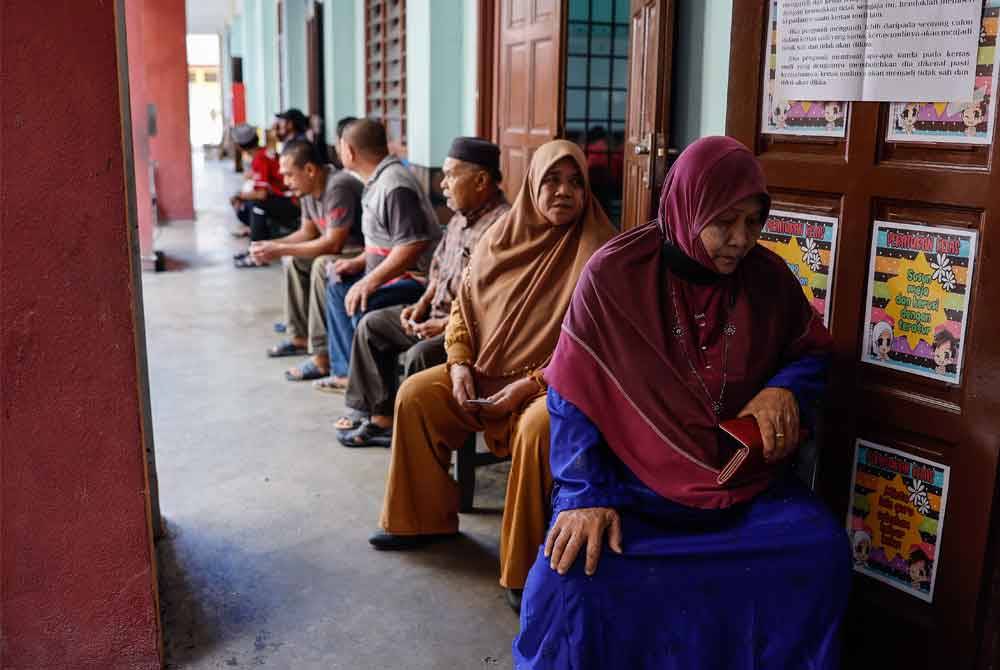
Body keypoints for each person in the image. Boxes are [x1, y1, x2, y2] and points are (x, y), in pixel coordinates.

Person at [513, 136, 850, 669]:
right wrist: (583, 494)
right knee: (571, 582)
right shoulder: (614, 275)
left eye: (754, 222)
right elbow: (572, 394)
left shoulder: (767, 278)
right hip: (631, 487)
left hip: (740, 488)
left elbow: (812, 352)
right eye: (724, 221)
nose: (740, 240)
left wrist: (785, 385)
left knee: (819, 551)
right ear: (687, 205)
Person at [368, 140, 615, 613]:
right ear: (531, 186)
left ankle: (523, 565)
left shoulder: (602, 254)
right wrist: (459, 362)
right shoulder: (500, 237)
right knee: (418, 393)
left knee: (538, 426)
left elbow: (597, 351)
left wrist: (527, 386)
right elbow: (463, 308)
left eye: (575, 182)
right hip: (483, 373)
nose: (563, 191)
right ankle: (422, 519)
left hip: (556, 385)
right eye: (551, 180)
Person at [336, 137, 510, 447]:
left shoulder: (503, 229)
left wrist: (443, 326)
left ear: (482, 180)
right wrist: (421, 305)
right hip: (436, 315)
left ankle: (423, 443)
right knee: (372, 326)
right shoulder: (459, 219)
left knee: (420, 356)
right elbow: (438, 272)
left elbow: (494, 305)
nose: (442, 184)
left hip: (471, 335)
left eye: (451, 175)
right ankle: (382, 419)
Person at [314, 119, 440, 392]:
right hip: (392, 275)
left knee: (362, 300)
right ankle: (347, 373)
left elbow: (412, 245)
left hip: (416, 280)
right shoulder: (377, 179)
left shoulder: (394, 184)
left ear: (348, 150)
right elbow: (385, 241)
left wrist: (368, 281)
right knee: (338, 283)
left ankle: (371, 391)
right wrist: (358, 264)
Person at [252, 140, 363, 379]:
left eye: (290, 175)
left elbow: (334, 243)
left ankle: (322, 355)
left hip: (361, 252)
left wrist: (280, 248)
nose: (286, 181)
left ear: (310, 170)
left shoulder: (338, 186)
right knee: (293, 261)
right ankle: (300, 336)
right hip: (340, 248)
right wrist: (272, 245)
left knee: (322, 265)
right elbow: (307, 232)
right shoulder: (307, 190)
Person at [229, 124, 300, 262]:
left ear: (240, 146)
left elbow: (262, 194)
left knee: (257, 205)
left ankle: (257, 255)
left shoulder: (259, 159)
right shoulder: (265, 152)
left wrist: (239, 196)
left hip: (293, 203)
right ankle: (256, 247)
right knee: (250, 204)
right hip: (292, 199)